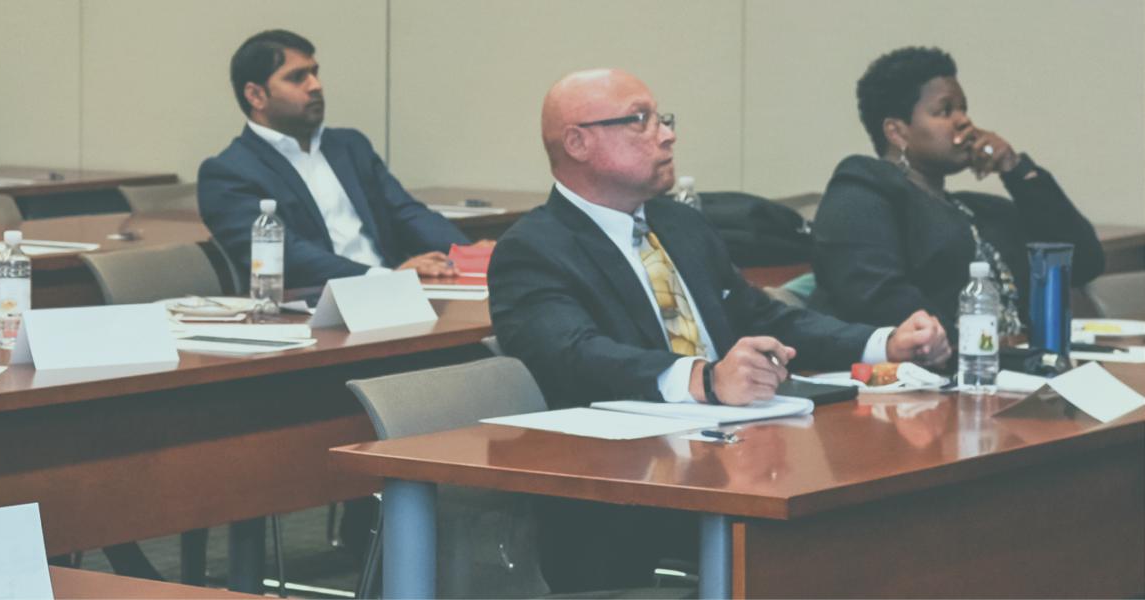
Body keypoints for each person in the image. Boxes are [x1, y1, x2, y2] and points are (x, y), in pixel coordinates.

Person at [487, 68, 953, 592]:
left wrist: (882, 343)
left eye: (662, 118)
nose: (666, 133)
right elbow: (575, 353)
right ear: (578, 142)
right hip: (631, 503)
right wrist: (704, 379)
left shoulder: (679, 225)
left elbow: (762, 316)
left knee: (895, 512)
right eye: (640, 121)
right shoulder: (533, 250)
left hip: (737, 459)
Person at [811, 46, 1103, 333]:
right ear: (897, 132)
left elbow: (1083, 263)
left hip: (1013, 370)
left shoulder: (983, 211)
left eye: (963, 109)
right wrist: (972, 353)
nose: (964, 120)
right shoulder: (861, 194)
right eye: (945, 110)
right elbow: (881, 302)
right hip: (931, 371)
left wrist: (1014, 168)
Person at [198, 29, 477, 289]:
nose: (315, 85)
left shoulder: (349, 146)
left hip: (397, 293)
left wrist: (467, 256)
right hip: (316, 310)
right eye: (297, 77)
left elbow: (405, 213)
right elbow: (287, 255)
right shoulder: (228, 173)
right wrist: (384, 278)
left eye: (315, 73)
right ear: (256, 95)